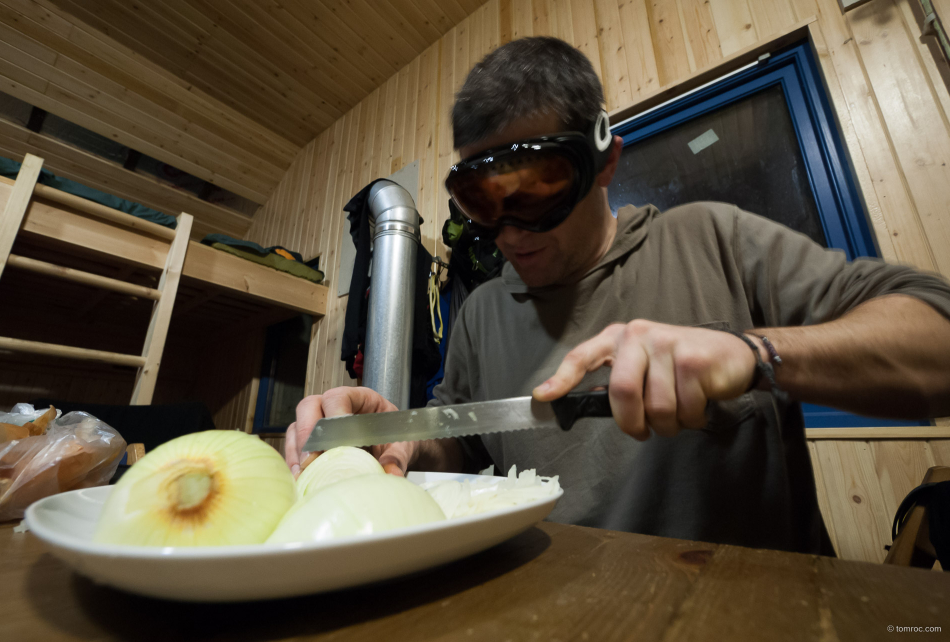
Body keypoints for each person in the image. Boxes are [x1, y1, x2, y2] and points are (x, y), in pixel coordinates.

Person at [286, 37, 950, 554]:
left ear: (604, 162)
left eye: (538, 186)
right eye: (483, 199)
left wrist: (756, 355)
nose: (511, 230)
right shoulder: (482, 311)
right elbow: (464, 446)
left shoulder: (710, 240)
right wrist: (396, 441)